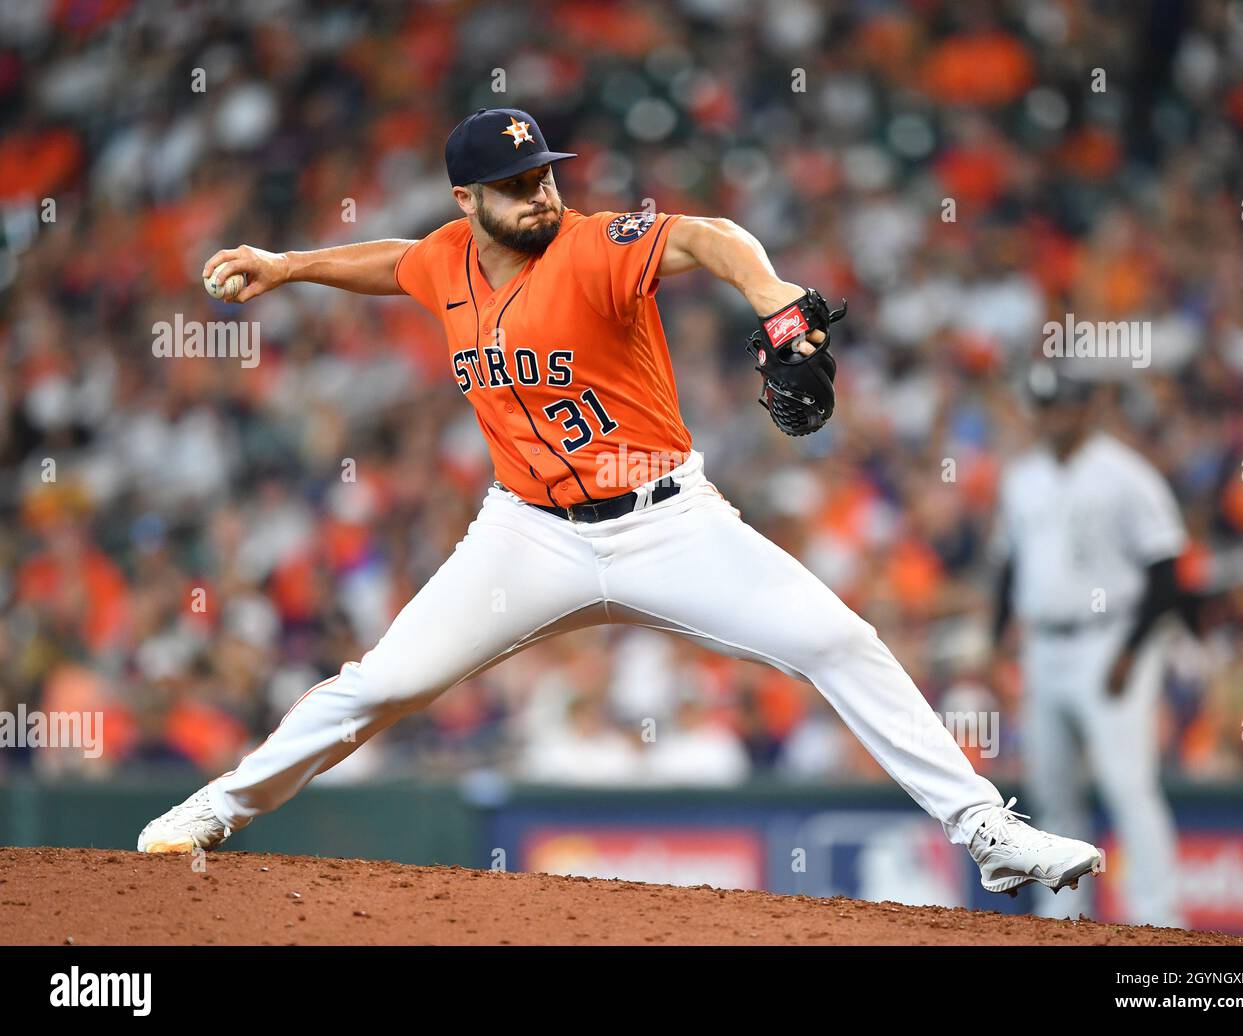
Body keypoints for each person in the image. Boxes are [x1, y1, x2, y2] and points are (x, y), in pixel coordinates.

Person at [139, 108, 1102, 902]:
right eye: (517, 186)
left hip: (667, 521)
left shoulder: (596, 247)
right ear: (466, 201)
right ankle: (213, 813)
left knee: (839, 641)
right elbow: (395, 260)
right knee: (380, 686)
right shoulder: (446, 259)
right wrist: (290, 264)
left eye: (547, 175)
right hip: (525, 533)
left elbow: (707, 236)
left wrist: (774, 302)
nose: (542, 194)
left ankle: (986, 830)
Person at [990, 362, 1187, 926]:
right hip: (1043, 646)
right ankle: (1064, 921)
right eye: (1045, 407)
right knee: (1051, 793)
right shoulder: (1022, 478)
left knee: (1128, 786)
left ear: (1087, 409)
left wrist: (1131, 652)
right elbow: (1009, 564)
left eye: (1064, 406)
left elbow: (1167, 569)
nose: (1053, 417)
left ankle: (1160, 920)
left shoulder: (1125, 475)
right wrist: (995, 633)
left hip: (1112, 641)